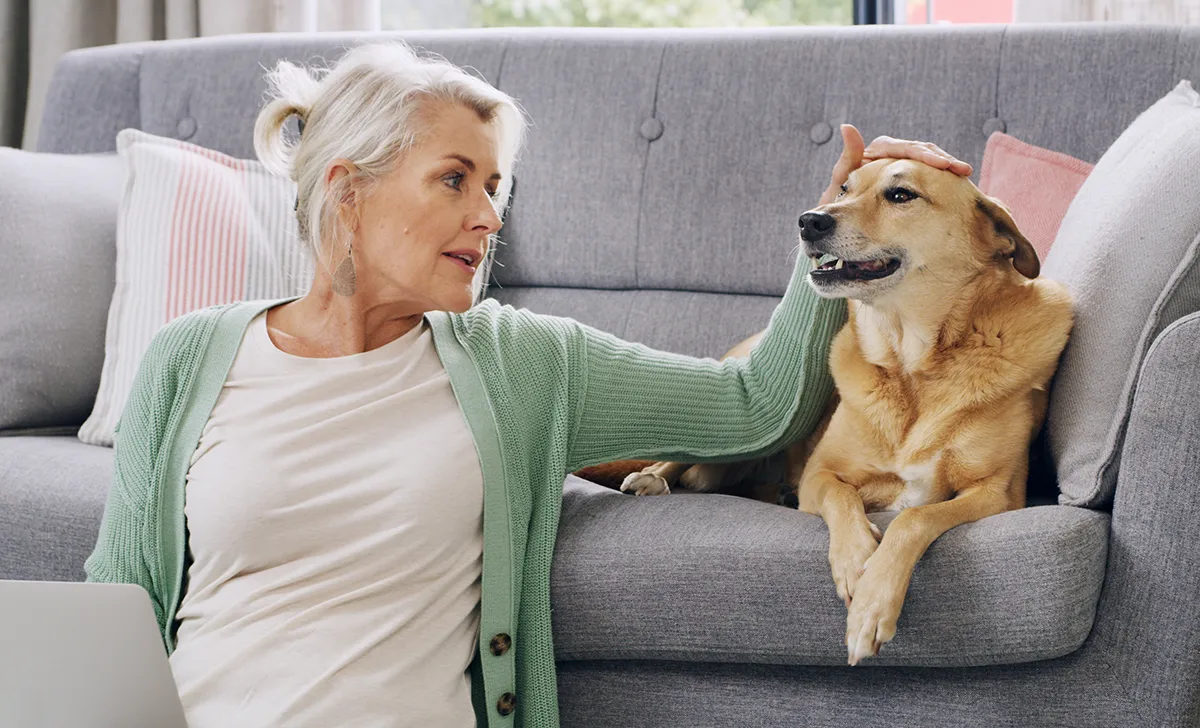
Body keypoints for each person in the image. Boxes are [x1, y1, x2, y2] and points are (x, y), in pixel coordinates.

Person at [85, 41, 972, 728]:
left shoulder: (521, 362)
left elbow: (754, 406)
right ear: (347, 193)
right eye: (454, 180)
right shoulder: (188, 357)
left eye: (496, 187)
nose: (489, 215)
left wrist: (832, 241)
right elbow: (120, 596)